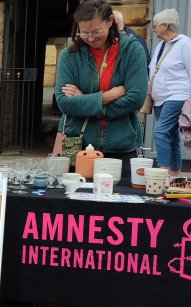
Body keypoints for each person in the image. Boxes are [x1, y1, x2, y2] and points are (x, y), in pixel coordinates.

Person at [54, 0, 148, 183]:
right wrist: (106, 97)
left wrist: (85, 101)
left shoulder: (132, 51)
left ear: (110, 21)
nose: (90, 37)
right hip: (77, 149)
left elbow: (135, 99)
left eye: (96, 31)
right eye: (84, 32)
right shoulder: (69, 56)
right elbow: (64, 103)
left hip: (121, 150)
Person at [149, 9, 191, 176]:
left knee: (161, 132)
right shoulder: (161, 45)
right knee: (170, 135)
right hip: (160, 98)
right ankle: (175, 172)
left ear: (165, 26)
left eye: (155, 26)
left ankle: (163, 171)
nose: (153, 29)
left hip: (178, 95)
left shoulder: (185, 44)